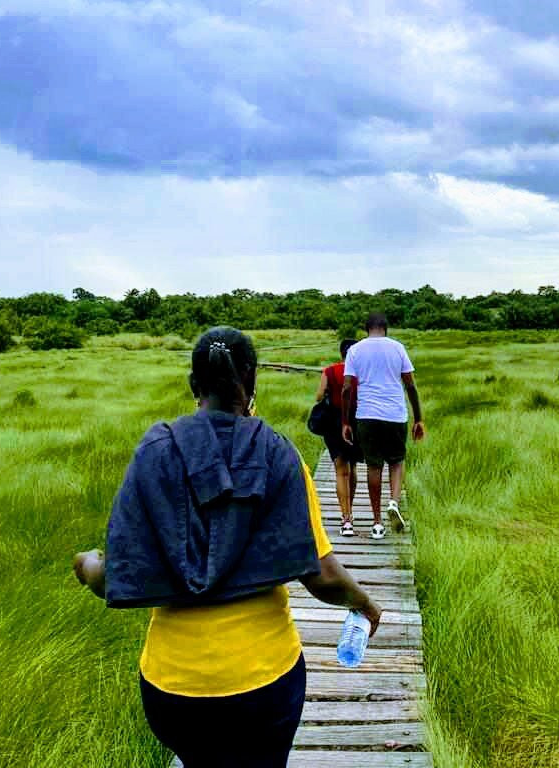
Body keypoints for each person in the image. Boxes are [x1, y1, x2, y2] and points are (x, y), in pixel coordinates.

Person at [73, 326, 381, 768]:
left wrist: (84, 564)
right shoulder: (280, 454)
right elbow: (322, 576)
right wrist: (366, 606)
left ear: (194, 385)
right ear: (252, 382)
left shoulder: (154, 453)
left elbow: (112, 579)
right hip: (264, 683)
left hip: (173, 687)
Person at [341, 313, 425, 540]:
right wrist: (418, 418)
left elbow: (347, 389)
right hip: (395, 414)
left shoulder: (355, 350)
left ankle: (377, 523)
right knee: (396, 462)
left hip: (367, 416)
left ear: (366, 329)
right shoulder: (397, 348)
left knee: (373, 467)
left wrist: (346, 422)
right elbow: (411, 386)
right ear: (386, 328)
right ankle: (394, 501)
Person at [314, 338, 362, 537]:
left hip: (334, 422)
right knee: (353, 468)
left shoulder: (330, 370)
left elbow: (318, 396)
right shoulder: (361, 372)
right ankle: (349, 510)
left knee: (341, 470)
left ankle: (346, 518)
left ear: (341, 352)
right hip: (357, 420)